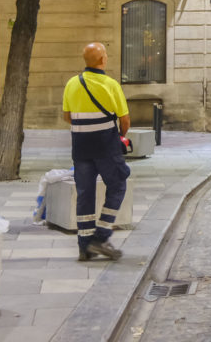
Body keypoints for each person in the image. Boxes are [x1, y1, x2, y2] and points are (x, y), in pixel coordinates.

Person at [61, 42, 130, 262]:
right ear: (102, 60)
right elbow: (125, 119)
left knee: (85, 194)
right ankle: (101, 236)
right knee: (118, 183)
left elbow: (67, 116)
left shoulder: (72, 84)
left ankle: (84, 246)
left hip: (80, 147)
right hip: (106, 147)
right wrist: (120, 135)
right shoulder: (110, 84)